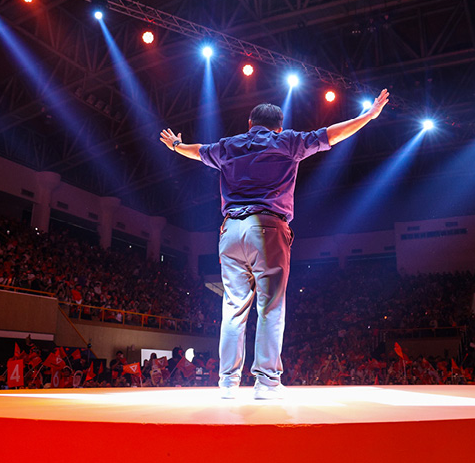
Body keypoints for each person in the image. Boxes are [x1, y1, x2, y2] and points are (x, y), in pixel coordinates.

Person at [160, 89, 389, 399]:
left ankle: (227, 383)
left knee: (233, 307)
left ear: (250, 122)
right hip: (267, 228)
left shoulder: (228, 146)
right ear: (279, 126)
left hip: (230, 232)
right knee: (270, 307)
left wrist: (175, 145)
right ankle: (266, 383)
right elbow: (332, 135)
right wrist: (367, 117)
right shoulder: (288, 141)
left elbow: (197, 150)